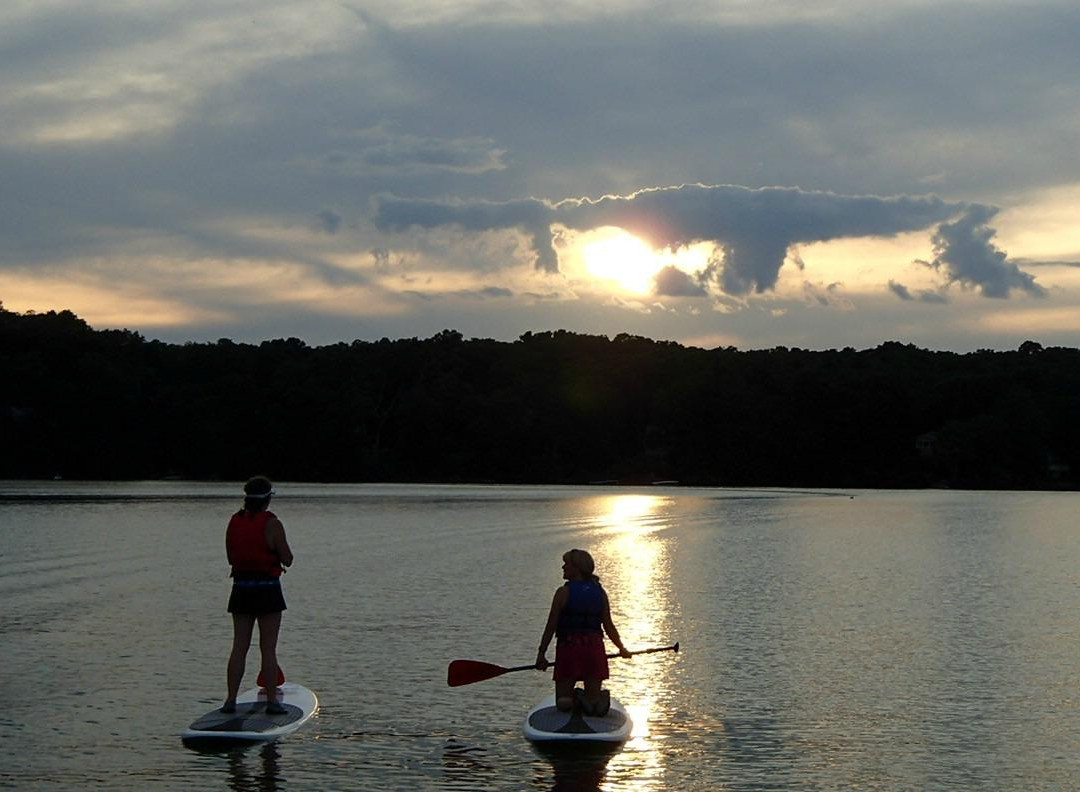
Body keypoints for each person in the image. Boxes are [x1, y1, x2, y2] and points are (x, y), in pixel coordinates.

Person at [221, 476, 294, 714]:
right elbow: (287, 559)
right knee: (268, 648)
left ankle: (230, 700)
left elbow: (231, 557)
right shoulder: (273, 524)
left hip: (241, 589)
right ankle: (272, 701)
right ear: (267, 499)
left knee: (239, 647)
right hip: (267, 590)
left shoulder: (235, 521)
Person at [535, 549, 632, 716]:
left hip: (569, 649)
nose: (563, 567)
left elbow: (551, 626)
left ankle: (578, 698)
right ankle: (595, 699)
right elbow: (609, 626)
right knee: (593, 703)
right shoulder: (600, 592)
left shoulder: (563, 592)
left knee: (563, 703)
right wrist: (621, 648)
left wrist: (541, 654)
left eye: (567, 564)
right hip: (594, 649)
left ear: (577, 568)